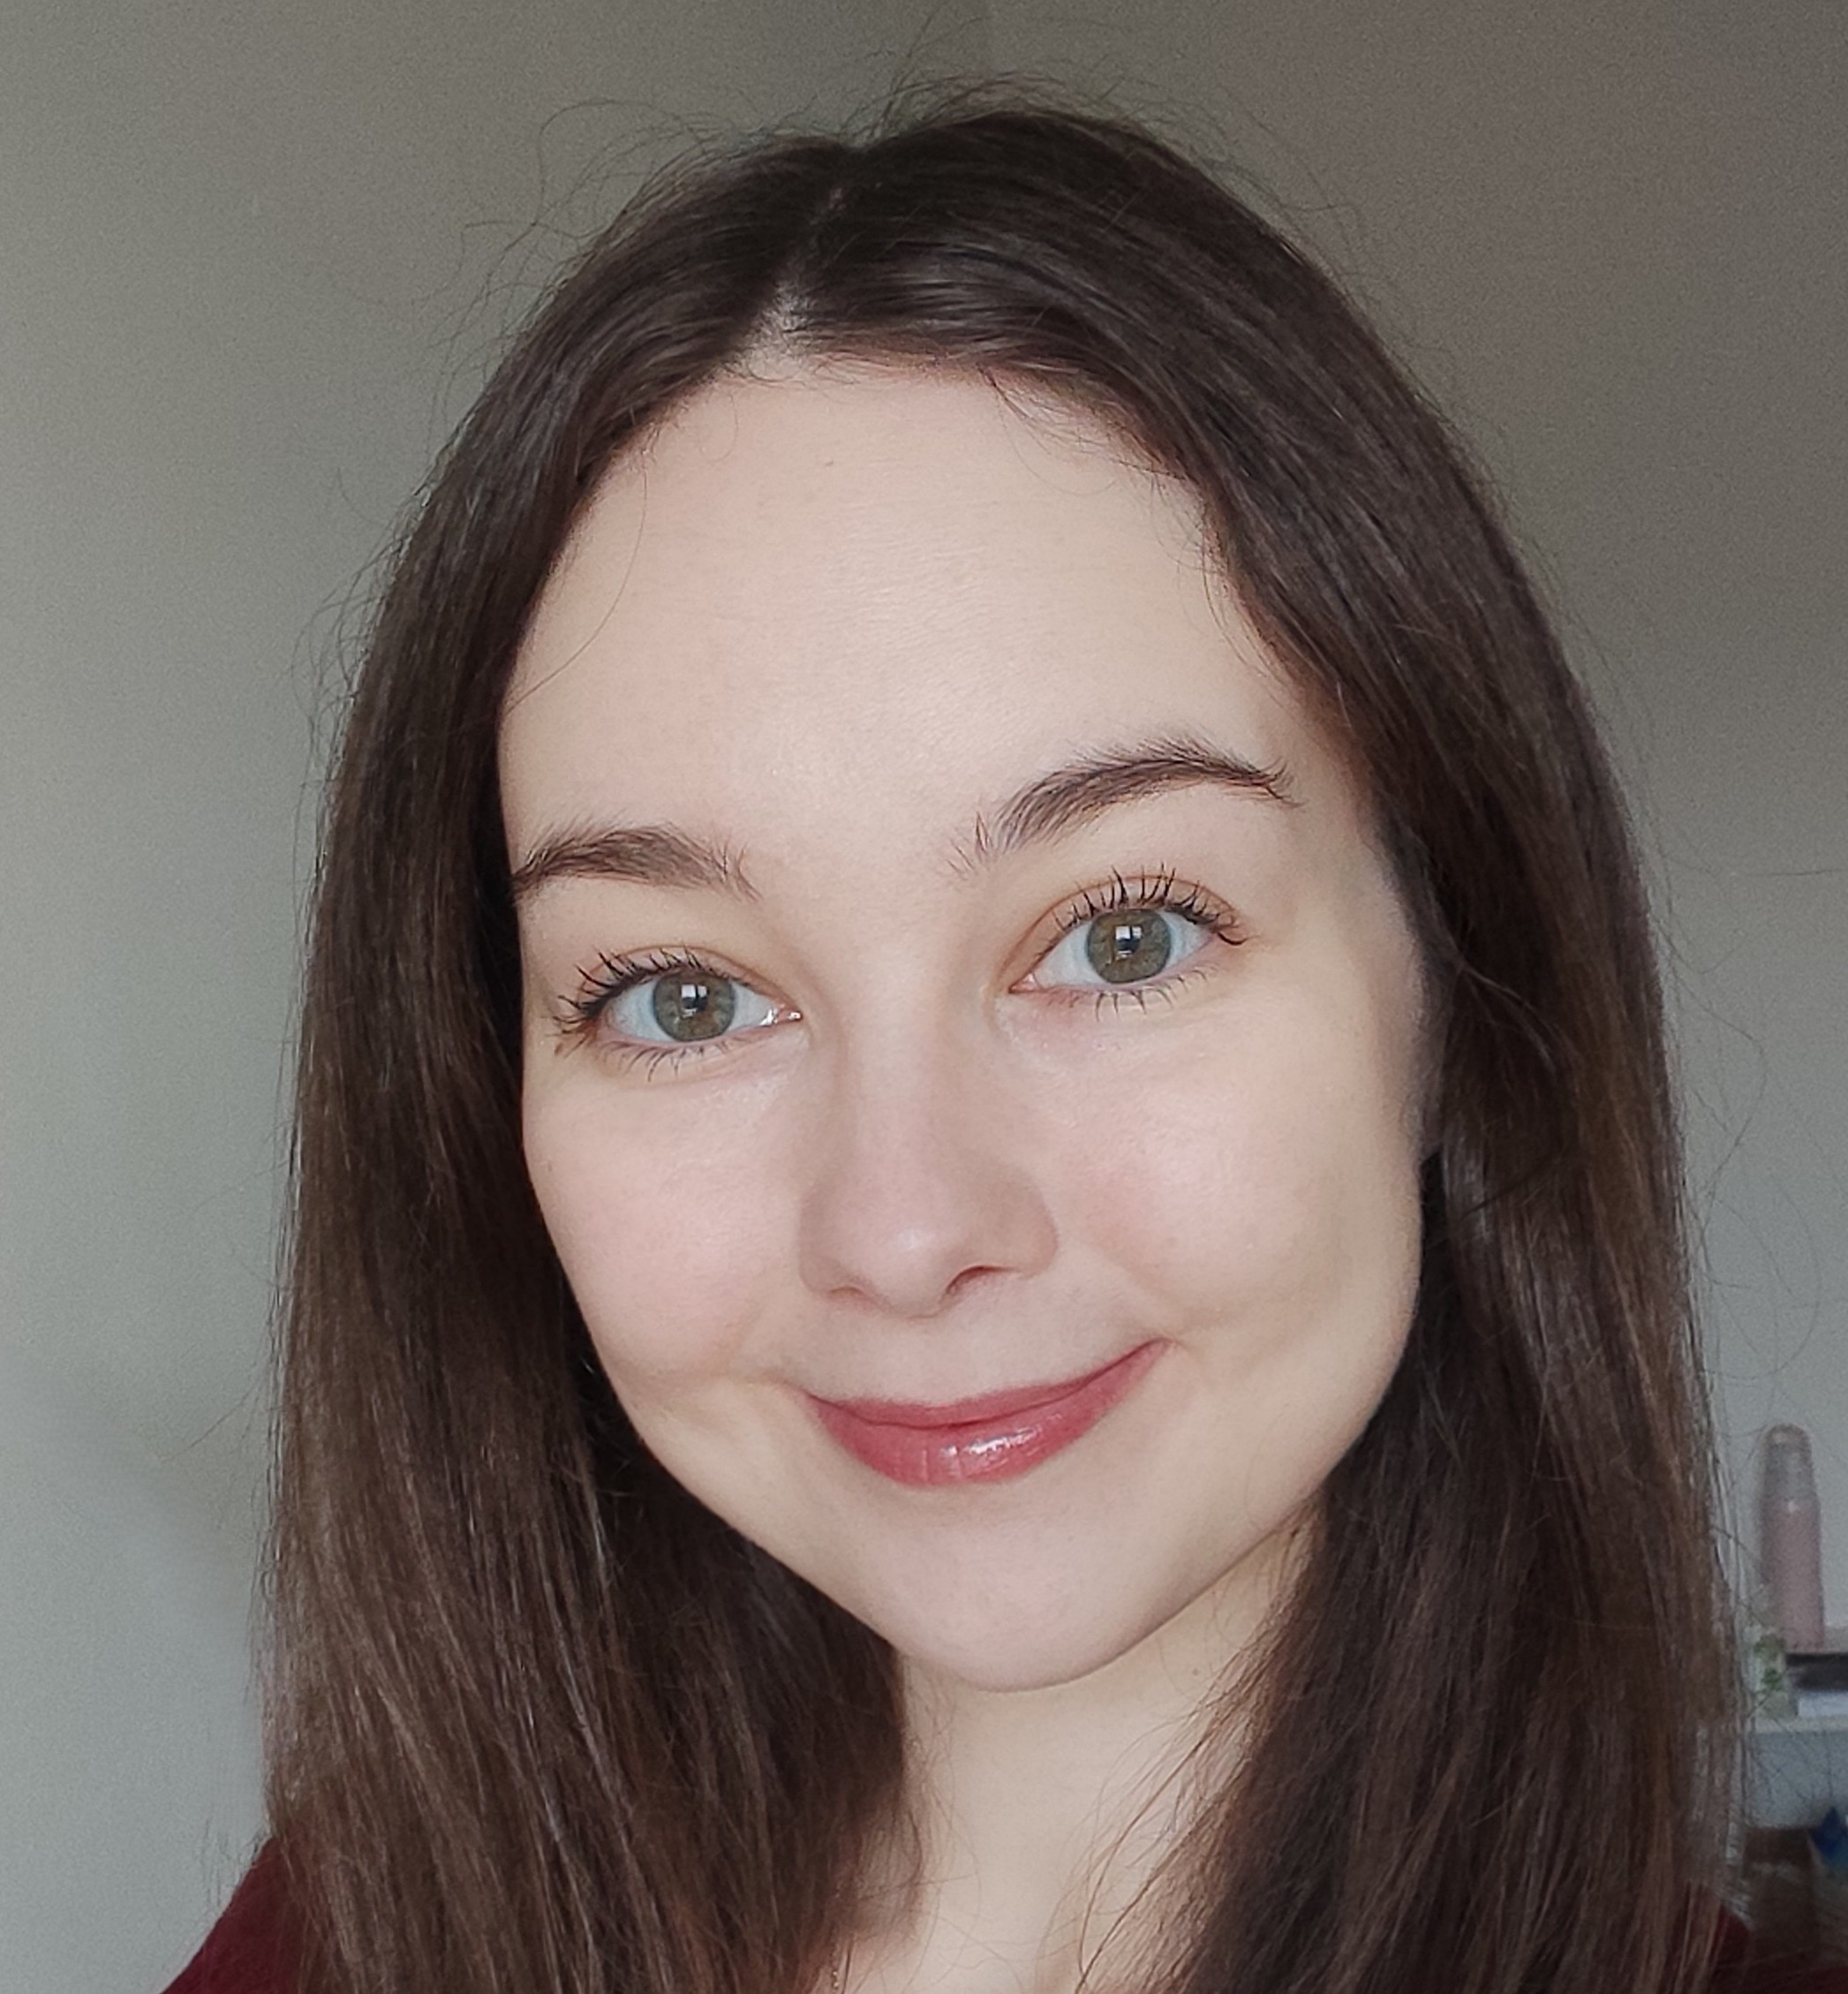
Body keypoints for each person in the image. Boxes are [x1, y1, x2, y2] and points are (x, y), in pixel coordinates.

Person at [165, 92, 1839, 1994]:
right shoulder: (348, 1933)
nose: (902, 1227)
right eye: (683, 996)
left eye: (1125, 937)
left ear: (1459, 986)